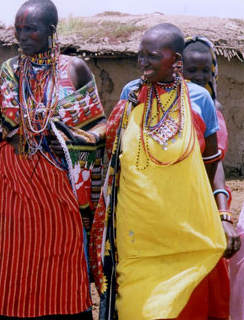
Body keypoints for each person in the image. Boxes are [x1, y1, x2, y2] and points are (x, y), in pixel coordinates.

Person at [90, 24, 236, 319]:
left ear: (176, 61)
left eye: (152, 56)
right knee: (135, 306)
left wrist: (219, 214)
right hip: (136, 232)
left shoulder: (200, 100)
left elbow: (211, 163)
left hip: (182, 230)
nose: (142, 62)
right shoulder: (131, 93)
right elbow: (115, 150)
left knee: (180, 307)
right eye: (140, 55)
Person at [0, 0, 106, 320]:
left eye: (31, 30)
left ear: (51, 31)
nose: (21, 36)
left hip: (59, 186)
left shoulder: (74, 68)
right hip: (13, 183)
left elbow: (98, 125)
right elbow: (4, 122)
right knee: (13, 259)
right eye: (18, 29)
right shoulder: (10, 69)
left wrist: (69, 137)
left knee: (63, 259)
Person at [183, 36, 241, 320]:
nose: (199, 77)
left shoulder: (213, 109)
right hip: (183, 198)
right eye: (191, 70)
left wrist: (222, 212)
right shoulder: (171, 107)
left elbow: (216, 161)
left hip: (210, 196)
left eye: (205, 71)